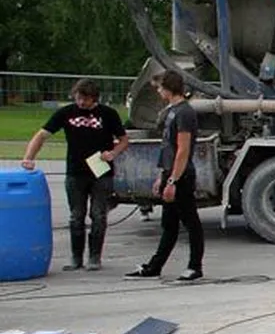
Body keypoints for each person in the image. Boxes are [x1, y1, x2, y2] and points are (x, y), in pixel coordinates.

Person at [20, 79, 129, 271]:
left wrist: (113, 153)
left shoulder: (108, 114)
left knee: (98, 214)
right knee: (76, 216)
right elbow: (42, 135)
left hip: (101, 172)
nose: (81, 103)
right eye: (78, 98)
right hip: (75, 171)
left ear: (94, 98)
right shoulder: (66, 113)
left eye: (85, 100)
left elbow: (123, 139)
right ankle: (75, 256)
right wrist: (29, 157)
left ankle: (95, 256)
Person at [126, 70, 205, 281]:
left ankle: (195, 266)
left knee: (191, 222)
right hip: (170, 173)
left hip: (181, 176)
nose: (159, 92)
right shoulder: (171, 111)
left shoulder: (184, 113)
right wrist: (162, 175)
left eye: (160, 88)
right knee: (169, 225)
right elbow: (167, 148)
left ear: (169, 88)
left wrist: (173, 181)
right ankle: (155, 266)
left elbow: (182, 150)